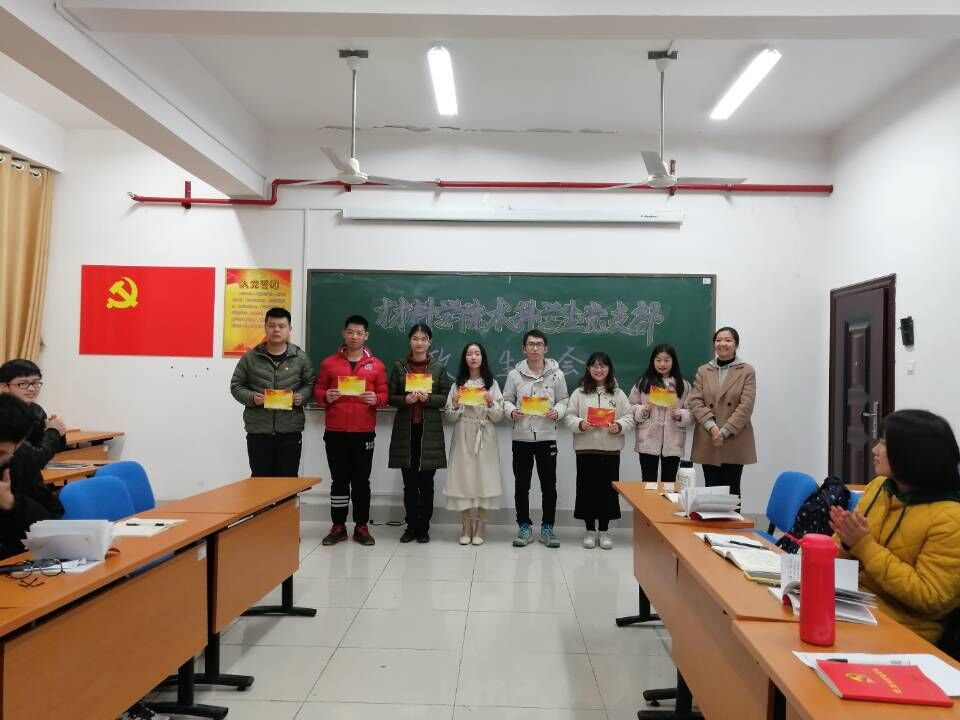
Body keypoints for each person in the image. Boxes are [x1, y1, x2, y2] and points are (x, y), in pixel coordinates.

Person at [829, 410, 960, 643]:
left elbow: (930, 597)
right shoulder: (880, 487)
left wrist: (864, 546)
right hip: (857, 603)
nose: (874, 450)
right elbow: (847, 547)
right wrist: (844, 542)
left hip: (906, 630)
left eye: (884, 444)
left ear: (912, 455)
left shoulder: (951, 518)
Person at [313, 314, 388, 546]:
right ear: (344, 334)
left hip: (364, 431)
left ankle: (361, 526)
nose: (354, 336)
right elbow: (318, 390)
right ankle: (338, 526)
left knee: (361, 481)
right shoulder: (329, 363)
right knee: (339, 480)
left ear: (366, 336)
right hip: (335, 431)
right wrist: (325, 396)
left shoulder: (377, 365)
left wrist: (376, 399)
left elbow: (384, 395)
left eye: (359, 333)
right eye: (351, 332)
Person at [502, 329, 569, 548]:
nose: (535, 348)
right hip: (521, 437)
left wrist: (558, 411)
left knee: (549, 486)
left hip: (547, 437)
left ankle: (548, 527)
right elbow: (506, 400)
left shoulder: (557, 375)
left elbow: (564, 399)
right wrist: (511, 411)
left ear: (545, 348)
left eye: (539, 344)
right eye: (530, 344)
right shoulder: (514, 375)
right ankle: (524, 526)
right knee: (522, 485)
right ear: (524, 349)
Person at [230, 308, 315, 478]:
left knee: (288, 481)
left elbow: (310, 384)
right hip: (259, 431)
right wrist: (252, 398)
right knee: (260, 480)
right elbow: (236, 386)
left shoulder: (300, 358)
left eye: (281, 326)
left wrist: (302, 396)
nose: (276, 330)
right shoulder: (250, 357)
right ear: (265, 327)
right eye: (272, 325)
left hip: (290, 431)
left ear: (289, 329)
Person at [388, 324, 451, 544]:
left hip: (429, 432)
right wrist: (405, 400)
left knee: (426, 484)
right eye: (415, 338)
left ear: (429, 342)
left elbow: (446, 397)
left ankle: (423, 527)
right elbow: (390, 396)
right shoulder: (399, 366)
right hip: (406, 432)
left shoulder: (438, 367)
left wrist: (428, 399)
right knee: (409, 483)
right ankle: (410, 526)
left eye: (424, 339)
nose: (419, 342)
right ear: (410, 341)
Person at [564, 352, 634, 549]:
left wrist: (619, 426)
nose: (599, 369)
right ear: (588, 368)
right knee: (586, 490)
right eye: (594, 366)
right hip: (585, 450)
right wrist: (581, 424)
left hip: (610, 451)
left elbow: (629, 417)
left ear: (609, 369)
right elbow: (569, 417)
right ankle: (589, 530)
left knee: (607, 493)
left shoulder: (618, 394)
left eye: (603, 366)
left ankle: (604, 531)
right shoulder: (579, 393)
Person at [445, 341, 504, 545]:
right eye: (469, 353)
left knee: (484, 478)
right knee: (463, 477)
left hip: (484, 433)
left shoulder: (491, 384)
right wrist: (454, 405)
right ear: (464, 358)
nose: (473, 357)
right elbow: (450, 418)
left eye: (477, 353)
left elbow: (498, 416)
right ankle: (465, 524)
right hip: (463, 433)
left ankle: (481, 524)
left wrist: (490, 403)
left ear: (482, 358)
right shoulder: (457, 384)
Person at [687, 326, 756, 496]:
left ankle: (731, 517)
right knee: (711, 490)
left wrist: (724, 432)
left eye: (728, 340)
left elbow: (746, 405)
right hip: (709, 436)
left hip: (734, 437)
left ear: (736, 345)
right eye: (718, 340)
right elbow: (695, 400)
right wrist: (712, 427)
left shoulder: (747, 371)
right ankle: (712, 517)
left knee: (732, 491)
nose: (722, 343)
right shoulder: (704, 370)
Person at [0, 394, 65, 559]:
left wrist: (10, 503)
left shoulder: (16, 463)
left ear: (19, 444)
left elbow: (47, 526)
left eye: (2, 453)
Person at [629, 344, 693, 485]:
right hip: (648, 439)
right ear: (653, 361)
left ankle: (666, 500)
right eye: (658, 360)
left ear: (673, 361)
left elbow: (692, 411)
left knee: (669, 484)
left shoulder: (683, 385)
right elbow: (630, 407)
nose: (662, 364)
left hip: (673, 442)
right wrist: (643, 410)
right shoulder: (643, 382)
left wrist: (681, 414)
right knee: (648, 483)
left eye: (666, 360)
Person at [0, 358, 67, 471]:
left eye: (35, 383)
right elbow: (34, 459)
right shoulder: (5, 415)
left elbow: (53, 449)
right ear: (4, 387)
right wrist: (53, 431)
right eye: (23, 384)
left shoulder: (37, 411)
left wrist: (59, 432)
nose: (31, 389)